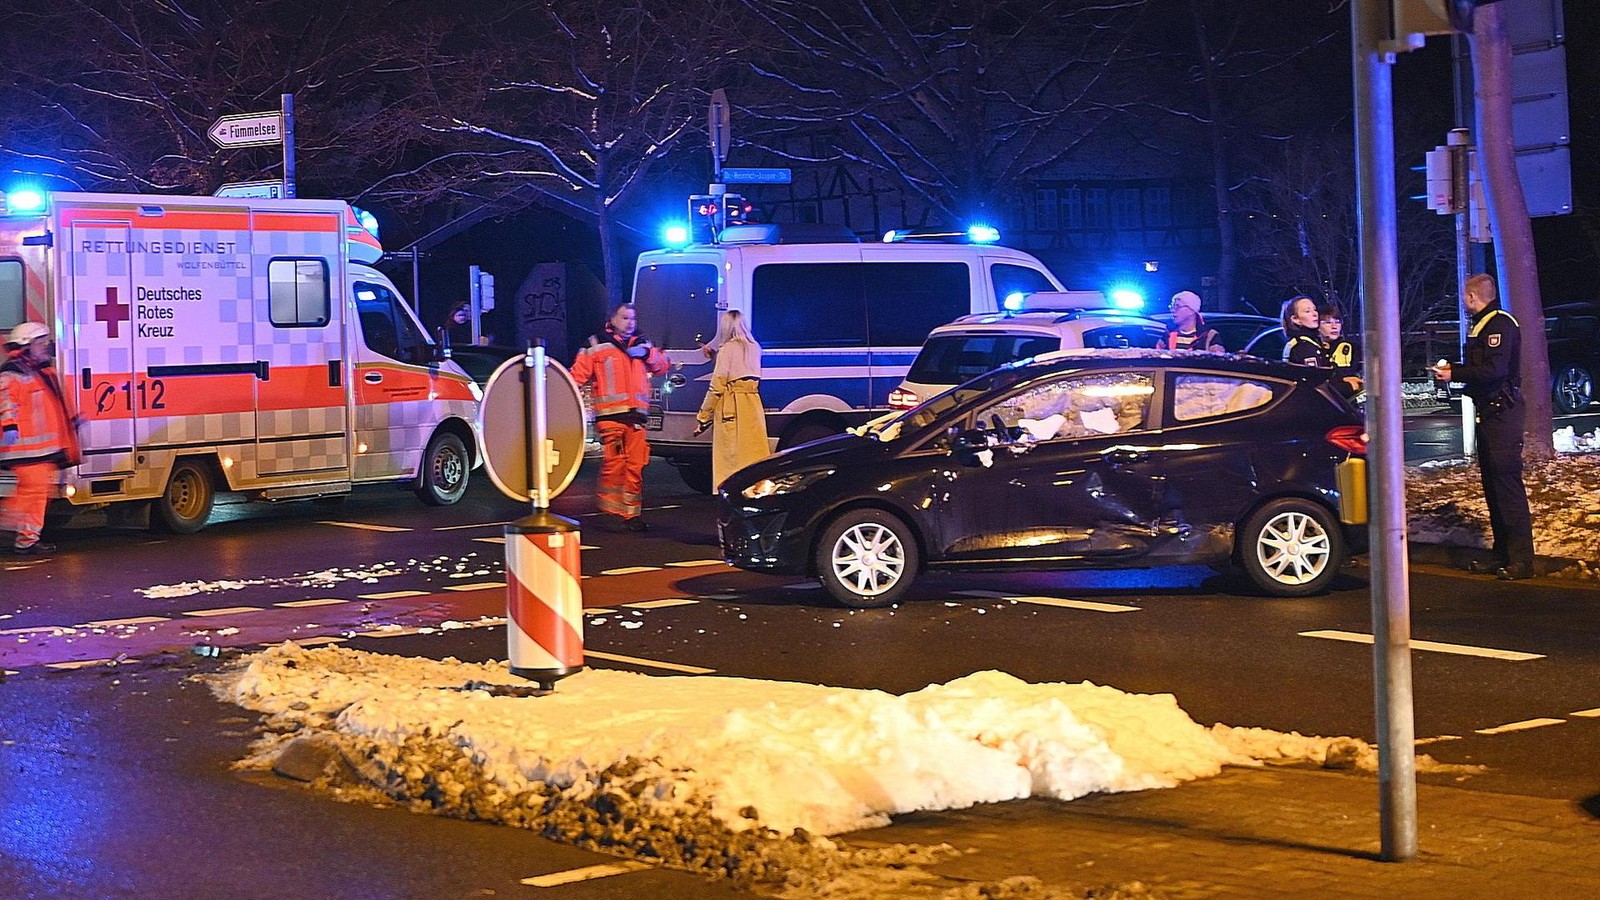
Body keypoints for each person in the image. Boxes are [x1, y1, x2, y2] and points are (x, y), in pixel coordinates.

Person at [1430, 274, 1534, 581]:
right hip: (1489, 413)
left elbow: (1494, 370)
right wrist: (1456, 371)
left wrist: (1455, 373)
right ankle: (1502, 555)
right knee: (1493, 486)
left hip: (1503, 414)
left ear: (1473, 297)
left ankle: (1521, 560)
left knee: (1507, 486)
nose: (1463, 301)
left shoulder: (1500, 323)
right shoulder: (1483, 324)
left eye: (1465, 296)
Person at [570, 303, 668, 531]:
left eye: (633, 318)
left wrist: (647, 353)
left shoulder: (642, 343)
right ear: (612, 319)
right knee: (615, 464)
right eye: (625, 318)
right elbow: (577, 375)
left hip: (636, 417)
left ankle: (631, 514)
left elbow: (662, 366)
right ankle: (611, 511)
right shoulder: (595, 344)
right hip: (610, 416)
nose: (630, 323)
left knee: (636, 465)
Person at [1, 322, 80, 556]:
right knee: (33, 491)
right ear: (26, 346)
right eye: (40, 342)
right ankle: (7, 524)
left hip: (41, 450)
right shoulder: (12, 373)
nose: (45, 346)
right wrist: (9, 425)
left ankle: (27, 540)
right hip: (24, 448)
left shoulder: (40, 372)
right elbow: (5, 401)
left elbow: (53, 403)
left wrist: (72, 420)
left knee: (40, 493)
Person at [694, 309, 770, 489]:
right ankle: (756, 491)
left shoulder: (727, 349)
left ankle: (730, 494)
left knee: (731, 459)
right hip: (752, 405)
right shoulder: (755, 347)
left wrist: (703, 417)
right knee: (752, 453)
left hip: (731, 406)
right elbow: (741, 368)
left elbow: (717, 385)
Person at [1317, 304, 1364, 398]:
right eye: (1327, 322)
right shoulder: (1313, 348)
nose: (1334, 326)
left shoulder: (1348, 347)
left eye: (1337, 322)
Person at [1280, 295, 1330, 368]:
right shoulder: (1301, 346)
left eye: (1315, 309)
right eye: (1307, 311)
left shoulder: (1316, 342)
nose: (1315, 314)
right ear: (1295, 319)